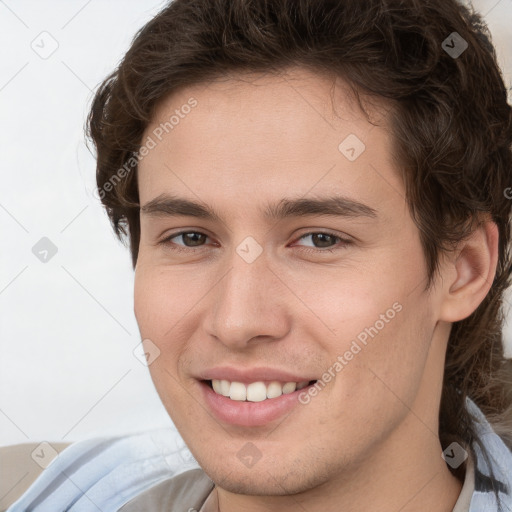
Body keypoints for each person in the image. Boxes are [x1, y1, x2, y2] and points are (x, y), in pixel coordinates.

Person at [5, 0, 512, 510]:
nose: (237, 321)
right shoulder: (33, 489)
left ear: (464, 270)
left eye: (319, 240)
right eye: (191, 238)